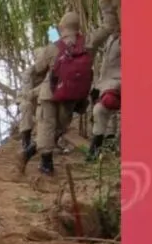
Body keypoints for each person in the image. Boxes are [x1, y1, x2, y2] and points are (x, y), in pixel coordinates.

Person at [18, 2, 118, 176]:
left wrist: (51, 44)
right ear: (78, 27)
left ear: (62, 27)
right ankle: (34, 151)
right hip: (71, 95)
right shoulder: (88, 42)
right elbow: (109, 26)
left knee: (46, 125)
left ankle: (46, 164)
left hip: (50, 92)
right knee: (58, 127)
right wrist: (106, 5)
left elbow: (40, 67)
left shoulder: (54, 45)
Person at [87, 27, 120, 160]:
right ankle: (98, 149)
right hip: (107, 86)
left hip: (118, 86)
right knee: (100, 110)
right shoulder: (111, 37)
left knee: (104, 109)